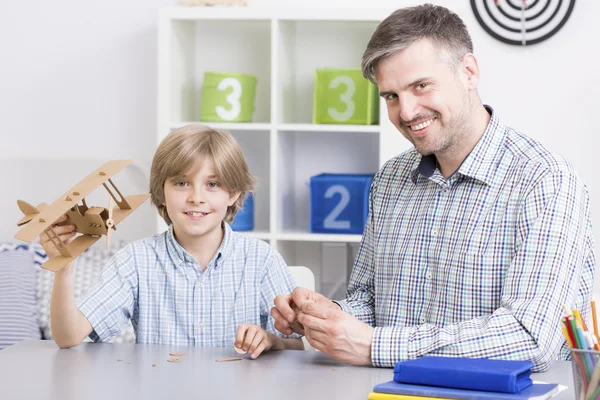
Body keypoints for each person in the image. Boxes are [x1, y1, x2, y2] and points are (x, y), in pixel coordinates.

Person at [272, 4, 595, 371]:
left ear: (468, 72)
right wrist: (326, 318)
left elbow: (530, 337)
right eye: (391, 96)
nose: (406, 112)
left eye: (420, 86)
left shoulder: (546, 181)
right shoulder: (391, 180)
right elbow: (369, 301)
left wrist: (374, 346)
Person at [43, 125, 303, 358]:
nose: (196, 197)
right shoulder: (135, 260)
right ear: (161, 192)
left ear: (233, 193)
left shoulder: (262, 259)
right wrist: (63, 267)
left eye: (212, 184)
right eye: (181, 183)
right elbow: (68, 337)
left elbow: (299, 346)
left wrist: (271, 341)